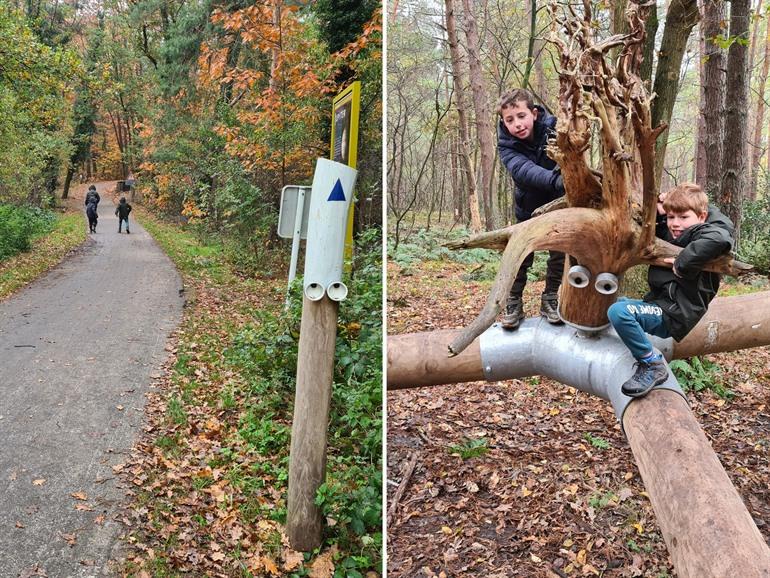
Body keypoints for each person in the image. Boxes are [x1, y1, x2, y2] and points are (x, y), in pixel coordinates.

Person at [607, 183, 734, 398]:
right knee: (616, 303)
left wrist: (682, 263)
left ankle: (652, 363)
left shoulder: (703, 234)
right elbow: (662, 226)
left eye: (683, 217)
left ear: (703, 216)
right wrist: (662, 209)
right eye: (671, 217)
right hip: (659, 305)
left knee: (619, 312)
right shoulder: (677, 233)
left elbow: (720, 236)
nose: (675, 224)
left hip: (673, 314)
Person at [497, 88, 566, 329]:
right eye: (509, 120)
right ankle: (513, 302)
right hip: (527, 209)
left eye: (521, 116)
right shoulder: (506, 145)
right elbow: (523, 170)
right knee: (521, 256)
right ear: (504, 123)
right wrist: (555, 180)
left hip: (559, 206)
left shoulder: (555, 128)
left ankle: (549, 299)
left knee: (558, 255)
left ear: (534, 114)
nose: (517, 124)